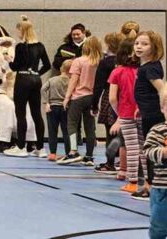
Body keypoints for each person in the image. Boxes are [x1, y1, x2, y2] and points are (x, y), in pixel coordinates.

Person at [3, 15, 51, 157]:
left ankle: (21, 146)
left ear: (22, 31)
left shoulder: (20, 47)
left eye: (18, 30)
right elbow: (47, 65)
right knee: (37, 114)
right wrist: (36, 73)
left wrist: (8, 61)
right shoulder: (40, 46)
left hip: (23, 79)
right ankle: (41, 148)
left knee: (21, 113)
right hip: (36, 80)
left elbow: (16, 66)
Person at [0, 24, 36, 152]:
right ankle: (4, 140)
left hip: (15, 91)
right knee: (8, 106)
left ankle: (30, 141)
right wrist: (2, 69)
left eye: (8, 45)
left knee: (27, 106)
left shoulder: (18, 61)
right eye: (3, 45)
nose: (6, 48)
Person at [143, 80, 167, 239]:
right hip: (164, 189)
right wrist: (166, 152)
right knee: (159, 226)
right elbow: (148, 151)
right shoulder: (158, 130)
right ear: (162, 109)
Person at [108, 39, 147, 193]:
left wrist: (120, 114)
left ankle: (132, 182)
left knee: (131, 148)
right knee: (144, 146)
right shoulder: (144, 70)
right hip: (144, 112)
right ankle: (148, 180)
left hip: (125, 114)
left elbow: (112, 98)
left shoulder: (117, 72)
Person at [58, 36, 102, 166]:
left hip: (78, 97)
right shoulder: (99, 62)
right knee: (90, 127)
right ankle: (89, 156)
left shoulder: (79, 61)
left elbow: (73, 80)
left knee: (72, 123)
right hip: (92, 97)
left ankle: (73, 152)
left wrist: (66, 97)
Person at [133, 30, 166, 200]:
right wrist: (141, 106)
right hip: (147, 112)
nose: (139, 46)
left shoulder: (150, 68)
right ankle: (150, 183)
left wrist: (164, 108)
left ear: (154, 47)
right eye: (137, 43)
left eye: (144, 44)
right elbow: (148, 91)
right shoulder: (147, 66)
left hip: (154, 116)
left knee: (151, 150)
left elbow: (163, 90)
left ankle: (151, 186)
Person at [91, 32, 125, 174]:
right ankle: (122, 161)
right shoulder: (127, 62)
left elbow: (98, 84)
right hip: (125, 96)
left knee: (110, 130)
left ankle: (110, 162)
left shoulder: (106, 62)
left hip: (110, 95)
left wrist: (94, 104)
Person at [53, 23, 90, 145]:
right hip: (70, 80)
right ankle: (76, 139)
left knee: (88, 115)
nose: (75, 36)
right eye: (73, 34)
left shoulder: (90, 46)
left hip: (86, 82)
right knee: (73, 113)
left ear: (84, 33)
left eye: (78, 34)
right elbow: (56, 62)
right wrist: (70, 61)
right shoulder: (65, 47)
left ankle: (90, 139)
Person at [41, 59, 72, 161]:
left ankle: (53, 153)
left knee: (52, 131)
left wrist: (46, 103)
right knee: (66, 132)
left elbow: (43, 89)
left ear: (61, 68)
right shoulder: (71, 81)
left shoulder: (52, 80)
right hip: (65, 108)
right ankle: (68, 153)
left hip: (52, 107)